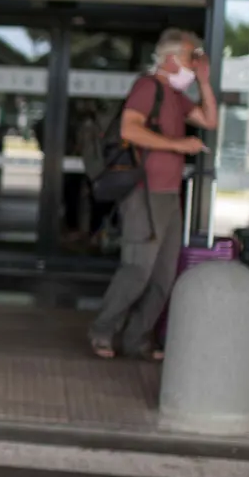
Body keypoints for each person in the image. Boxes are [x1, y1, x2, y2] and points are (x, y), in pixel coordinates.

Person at [87, 28, 218, 360]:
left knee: (163, 274)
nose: (196, 62)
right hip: (143, 194)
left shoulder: (175, 95)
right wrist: (178, 145)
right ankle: (103, 331)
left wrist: (204, 81)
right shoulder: (147, 87)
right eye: (192, 57)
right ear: (172, 60)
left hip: (168, 195)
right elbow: (129, 129)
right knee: (137, 270)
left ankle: (138, 338)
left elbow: (209, 120)